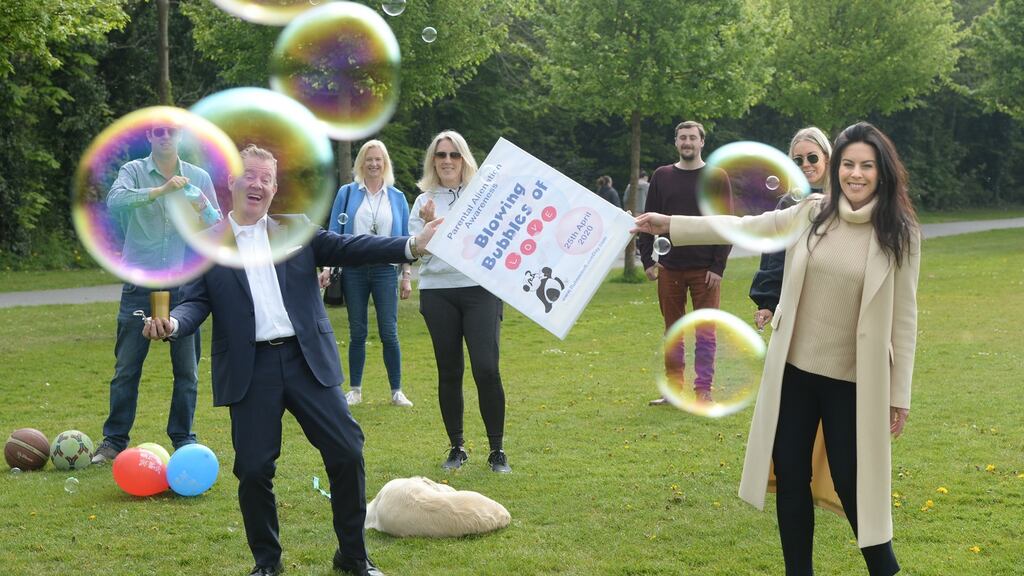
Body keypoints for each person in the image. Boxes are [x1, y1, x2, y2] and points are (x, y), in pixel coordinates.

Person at [634, 121, 920, 576]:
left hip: (854, 380)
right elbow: (746, 225)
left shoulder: (899, 233)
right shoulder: (810, 212)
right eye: (849, 165)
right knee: (790, 478)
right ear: (836, 169)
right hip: (796, 372)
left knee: (853, 484)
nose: (856, 174)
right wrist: (670, 223)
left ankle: (886, 569)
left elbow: (904, 319)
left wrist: (898, 393)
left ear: (882, 171)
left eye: (866, 166)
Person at [143, 144, 442, 576]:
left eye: (267, 178)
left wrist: (411, 244)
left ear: (274, 187)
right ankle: (268, 563)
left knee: (346, 450)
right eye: (250, 175)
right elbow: (194, 303)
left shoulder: (294, 229)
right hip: (250, 370)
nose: (258, 184)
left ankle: (353, 557)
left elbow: (352, 246)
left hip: (308, 361)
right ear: (231, 181)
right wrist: (172, 324)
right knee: (254, 469)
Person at [92, 121, 221, 464]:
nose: (165, 137)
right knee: (126, 369)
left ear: (179, 137)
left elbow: (216, 222)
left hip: (185, 286)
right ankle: (114, 441)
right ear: (149, 136)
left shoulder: (198, 176)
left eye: (171, 132)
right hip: (140, 284)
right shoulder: (133, 170)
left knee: (187, 372)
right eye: (158, 132)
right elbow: (116, 201)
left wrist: (198, 208)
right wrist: (162, 190)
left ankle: (183, 439)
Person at [409, 130, 511, 474]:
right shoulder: (423, 201)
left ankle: (497, 450)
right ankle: (457, 448)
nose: (448, 161)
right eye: (441, 155)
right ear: (433, 160)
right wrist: (426, 226)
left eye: (454, 154)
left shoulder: (483, 195)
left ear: (464, 158)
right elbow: (413, 253)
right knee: (449, 371)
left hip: (480, 290)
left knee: (486, 368)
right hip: (438, 293)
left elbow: (499, 239)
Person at [636, 120, 732, 405]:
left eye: (692, 137)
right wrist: (647, 261)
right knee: (673, 332)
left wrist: (718, 266)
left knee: (705, 333)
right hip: (670, 268)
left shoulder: (716, 177)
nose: (687, 142)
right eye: (682, 138)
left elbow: (726, 223)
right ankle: (674, 393)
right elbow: (646, 220)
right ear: (676, 143)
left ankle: (703, 392)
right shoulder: (662, 176)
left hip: (706, 271)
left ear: (702, 142)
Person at [321, 140, 414, 408]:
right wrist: (328, 267)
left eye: (379, 159)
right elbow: (333, 233)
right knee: (357, 331)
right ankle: (355, 389)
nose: (374, 164)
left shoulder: (396, 197)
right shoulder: (347, 193)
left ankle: (397, 391)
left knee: (389, 331)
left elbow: (406, 239)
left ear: (385, 164)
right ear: (361, 163)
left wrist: (406, 275)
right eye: (368, 159)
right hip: (354, 269)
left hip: (386, 270)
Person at [750, 127, 832, 330]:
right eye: (798, 160)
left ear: (827, 158)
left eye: (812, 158)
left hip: (836, 298)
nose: (805, 165)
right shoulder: (789, 203)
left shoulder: (844, 198)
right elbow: (774, 255)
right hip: (797, 298)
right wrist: (768, 302)